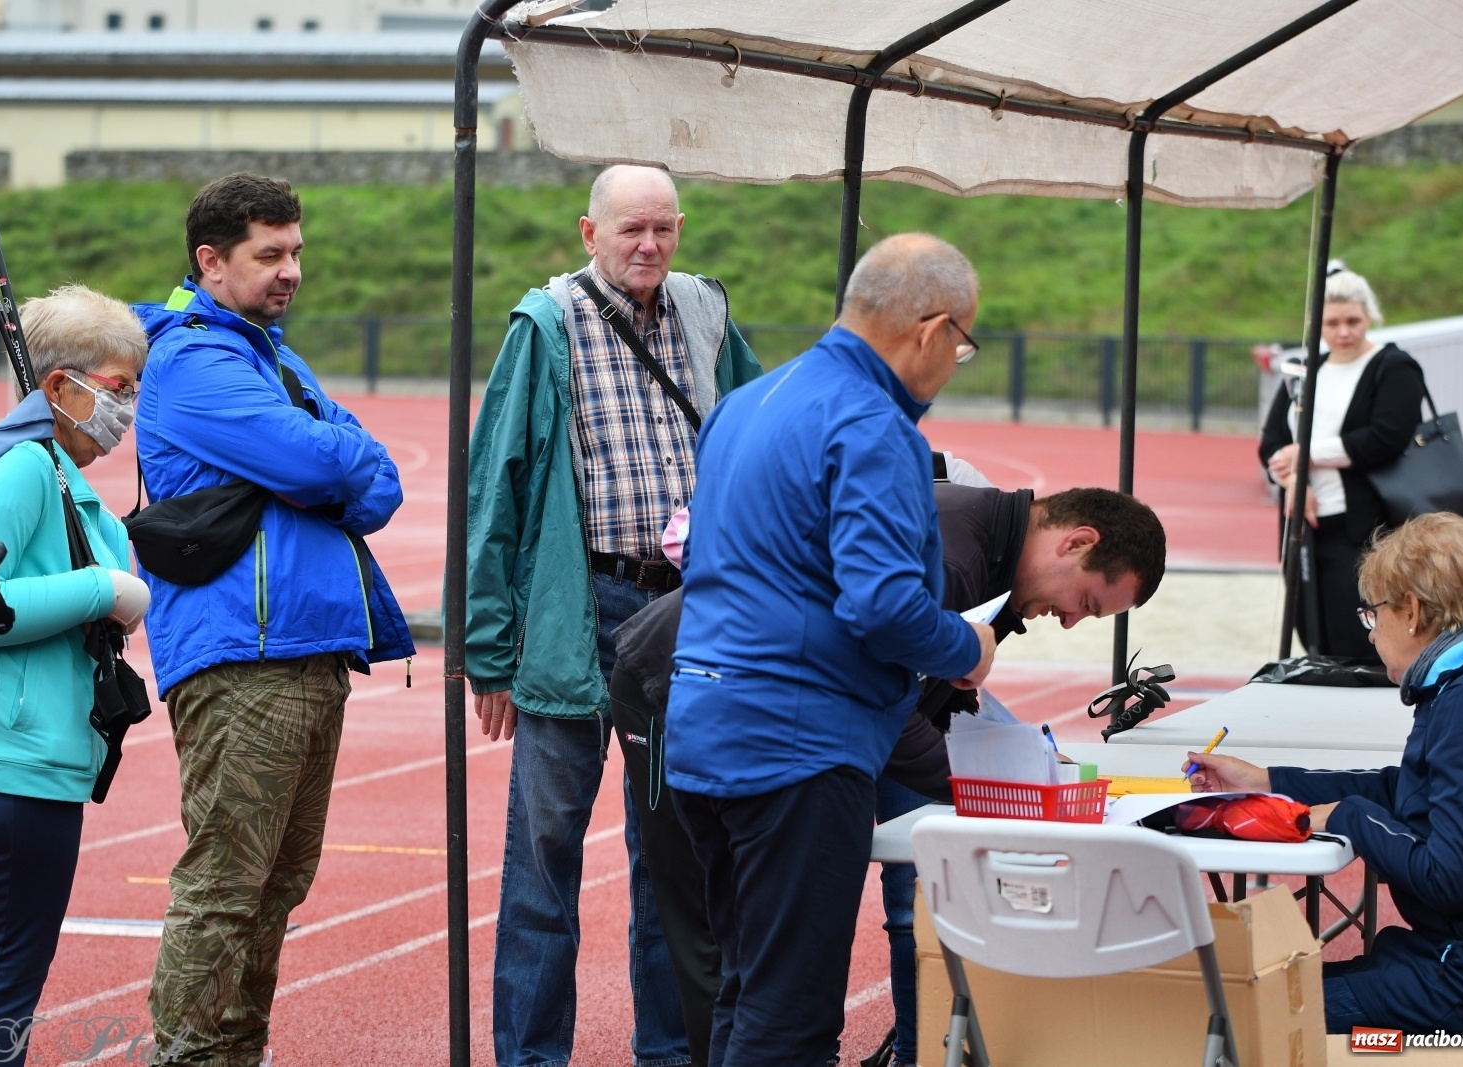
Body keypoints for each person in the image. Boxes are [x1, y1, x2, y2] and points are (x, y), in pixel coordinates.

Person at [611, 484, 1166, 1065]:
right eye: (1088, 601)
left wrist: (1013, 764)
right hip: (680, 687)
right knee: (721, 937)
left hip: (769, 711)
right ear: (1076, 541)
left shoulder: (990, 558)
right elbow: (888, 714)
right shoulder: (955, 557)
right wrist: (999, 789)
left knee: (756, 955)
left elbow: (924, 696)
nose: (1073, 621)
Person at [665, 233, 994, 1067]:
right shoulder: (874, 426)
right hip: (798, 747)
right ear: (933, 328)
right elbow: (882, 603)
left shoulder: (748, 402)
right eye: (963, 343)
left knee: (744, 985)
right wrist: (966, 643)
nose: (956, 362)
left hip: (705, 726)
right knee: (791, 1013)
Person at [465, 164, 763, 1067]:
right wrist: (488, 651)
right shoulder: (546, 325)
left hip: (681, 614)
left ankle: (670, 1053)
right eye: (631, 230)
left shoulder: (707, 313)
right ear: (588, 233)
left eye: (665, 229)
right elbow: (496, 488)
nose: (649, 246)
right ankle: (530, 1057)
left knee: (669, 857)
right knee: (544, 860)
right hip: (576, 609)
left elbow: (756, 433)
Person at [133, 173, 414, 1067]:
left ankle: (234, 1054)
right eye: (270, 254)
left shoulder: (274, 358)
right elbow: (320, 456)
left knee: (278, 886)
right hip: (242, 654)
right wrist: (328, 458)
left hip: (308, 649)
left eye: (296, 249)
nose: (291, 268)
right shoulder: (193, 360)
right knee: (225, 886)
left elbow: (376, 483)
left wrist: (330, 459)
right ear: (212, 262)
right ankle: (184, 1056)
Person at [0, 285, 151, 1067]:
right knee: (1, 993)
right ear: (60, 386)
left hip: (16, 763)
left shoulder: (57, 473)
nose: (127, 409)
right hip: (13, 770)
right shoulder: (25, 468)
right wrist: (103, 590)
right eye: (117, 389)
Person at [1187, 512, 1463, 1032]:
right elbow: (1407, 791)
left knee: (1252, 1019)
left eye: (1373, 614)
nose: (1370, 632)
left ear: (1410, 610)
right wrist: (1270, 781)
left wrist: (1349, 816)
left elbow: (1448, 876)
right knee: (1266, 997)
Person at [1259, 268, 1424, 661]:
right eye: (1332, 323)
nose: (1343, 331)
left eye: (1353, 320)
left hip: (1367, 527)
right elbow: (1271, 444)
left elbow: (1387, 436)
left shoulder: (1393, 365)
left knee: (1361, 627)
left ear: (1370, 316)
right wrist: (1295, 478)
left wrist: (1309, 453)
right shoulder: (1305, 370)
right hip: (1305, 523)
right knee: (1310, 623)